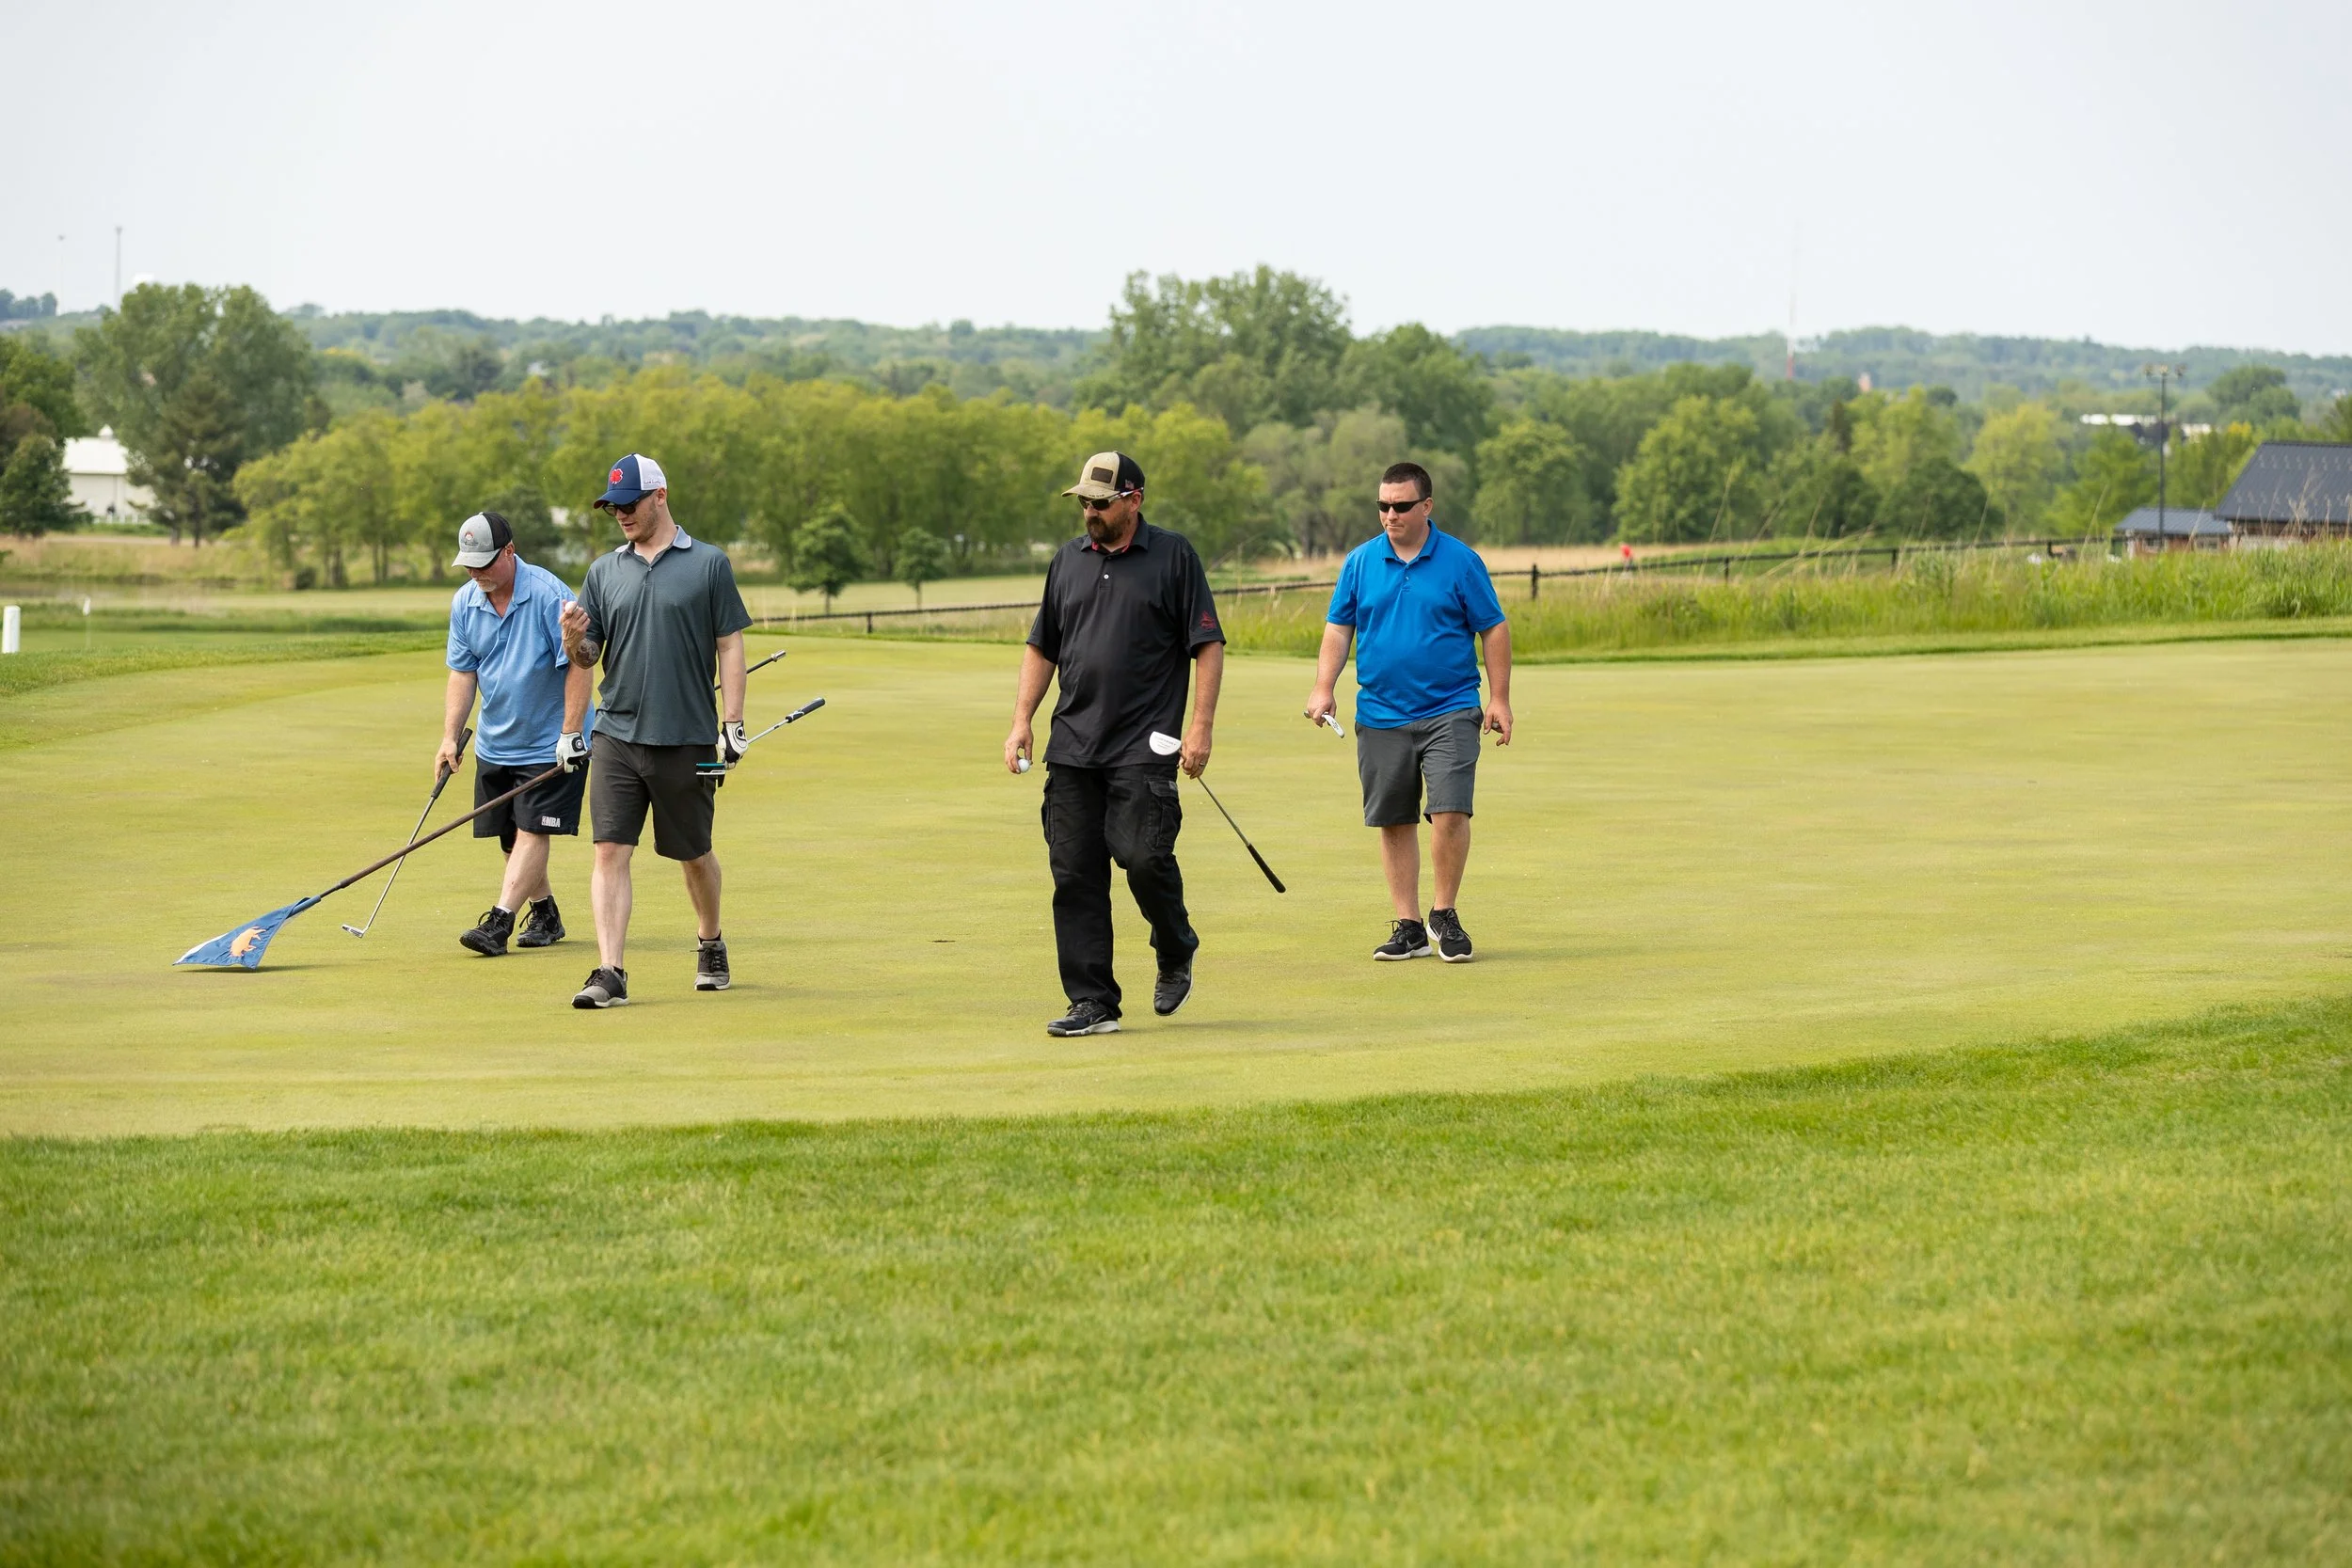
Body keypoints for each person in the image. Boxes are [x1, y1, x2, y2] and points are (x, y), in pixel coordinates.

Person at [1005, 451, 1225, 1037]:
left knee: (1144, 857)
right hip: (1073, 745)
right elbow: (1042, 647)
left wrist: (1199, 727)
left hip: (1145, 744)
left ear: (1135, 499)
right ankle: (1093, 1001)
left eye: (1101, 503)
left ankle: (1175, 945)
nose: (1090, 513)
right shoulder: (1067, 562)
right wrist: (1022, 719)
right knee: (1074, 874)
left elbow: (1207, 644)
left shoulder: (1173, 557)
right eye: (1084, 503)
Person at [557, 453, 754, 1009]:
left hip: (690, 740)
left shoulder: (710, 564)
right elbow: (589, 655)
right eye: (612, 506)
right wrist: (574, 644)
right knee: (609, 851)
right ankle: (610, 971)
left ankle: (710, 942)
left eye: (630, 504)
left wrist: (732, 724)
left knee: (695, 852)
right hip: (615, 735)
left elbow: (730, 643)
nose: (620, 514)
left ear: (660, 496)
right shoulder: (602, 571)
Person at [1305, 461, 1513, 962]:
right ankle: (1409, 925)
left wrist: (1499, 697)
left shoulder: (1461, 562)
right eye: (1382, 506)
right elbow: (1339, 629)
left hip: (1451, 707)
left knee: (1449, 810)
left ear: (1427, 506)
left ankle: (1444, 912)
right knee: (1393, 819)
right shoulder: (1359, 562)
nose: (1390, 514)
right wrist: (1323, 687)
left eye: (1401, 505)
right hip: (1380, 712)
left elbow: (1494, 628)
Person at [440, 511, 596, 957]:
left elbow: (580, 666)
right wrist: (450, 735)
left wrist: (570, 733)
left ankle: (499, 921)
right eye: (468, 564)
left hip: (552, 740)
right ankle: (545, 912)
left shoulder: (551, 597)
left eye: (484, 562)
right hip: (497, 739)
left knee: (533, 829)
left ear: (509, 551)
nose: (476, 572)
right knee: (512, 837)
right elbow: (462, 673)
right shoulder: (464, 602)